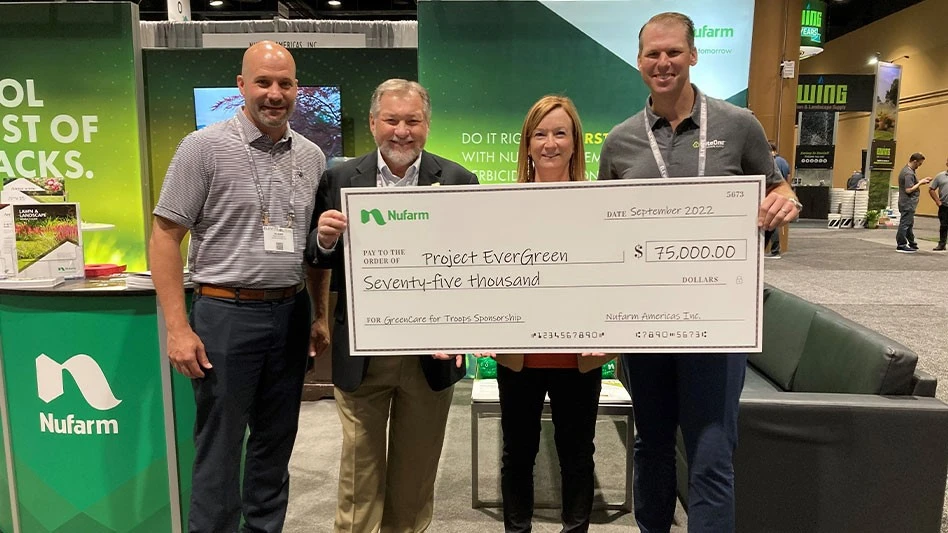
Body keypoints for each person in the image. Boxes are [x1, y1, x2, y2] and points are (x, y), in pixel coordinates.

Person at [597, 13, 800, 533]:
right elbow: (602, 231)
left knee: (711, 452)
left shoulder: (738, 125)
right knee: (652, 446)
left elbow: (776, 188)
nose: (662, 63)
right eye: (652, 54)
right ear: (639, 61)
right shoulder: (620, 142)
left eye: (672, 52)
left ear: (692, 54)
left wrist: (784, 199)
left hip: (717, 323)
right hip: (646, 323)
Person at [149, 41, 327, 533]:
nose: (275, 93)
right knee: (221, 447)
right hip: (224, 316)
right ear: (241, 86)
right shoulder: (202, 147)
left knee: (276, 443)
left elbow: (315, 247)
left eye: (285, 83)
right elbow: (164, 237)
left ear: (297, 89)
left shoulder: (312, 157)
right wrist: (177, 327)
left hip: (289, 314)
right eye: (264, 82)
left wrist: (317, 316)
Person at [305, 79, 478, 533]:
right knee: (359, 481)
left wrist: (462, 333)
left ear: (427, 125)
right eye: (392, 120)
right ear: (373, 123)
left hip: (429, 357)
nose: (402, 131)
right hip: (364, 353)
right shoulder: (339, 180)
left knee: (415, 479)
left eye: (413, 121)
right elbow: (317, 256)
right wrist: (323, 239)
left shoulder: (459, 181)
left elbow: (473, 270)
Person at [475, 95, 614, 533]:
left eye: (560, 133)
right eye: (540, 134)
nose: (550, 143)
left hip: (580, 355)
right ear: (527, 144)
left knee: (578, 453)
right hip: (520, 356)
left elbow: (614, 275)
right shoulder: (503, 204)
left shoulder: (601, 204)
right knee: (518, 452)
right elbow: (486, 271)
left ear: (575, 143)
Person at [896, 152, 930, 253]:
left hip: (908, 202)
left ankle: (912, 243)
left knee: (909, 223)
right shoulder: (908, 173)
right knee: (905, 224)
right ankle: (901, 244)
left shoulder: (909, 171)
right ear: (914, 161)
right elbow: (908, 189)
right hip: (907, 202)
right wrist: (921, 182)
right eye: (919, 164)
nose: (919, 166)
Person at [764, 141, 791, 258]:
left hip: (772, 195)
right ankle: (775, 250)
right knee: (775, 222)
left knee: (771, 224)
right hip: (782, 195)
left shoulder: (772, 162)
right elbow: (788, 177)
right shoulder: (784, 161)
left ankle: (775, 250)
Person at [927, 156, 948, 251]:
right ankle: (942, 244)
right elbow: (931, 189)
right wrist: (937, 201)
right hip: (944, 205)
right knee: (944, 225)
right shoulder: (940, 176)